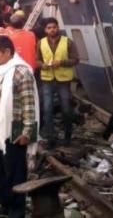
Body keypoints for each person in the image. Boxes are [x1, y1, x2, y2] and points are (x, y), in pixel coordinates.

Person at [0, 36, 38, 218]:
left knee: (15, 172)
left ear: (8, 52)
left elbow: (29, 105)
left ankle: (17, 210)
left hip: (14, 130)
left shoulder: (21, 72)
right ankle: (5, 204)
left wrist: (27, 132)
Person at [37, 18, 79, 147]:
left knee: (66, 109)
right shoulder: (40, 43)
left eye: (54, 27)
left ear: (58, 28)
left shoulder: (68, 42)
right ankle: (51, 138)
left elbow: (75, 60)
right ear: (45, 30)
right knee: (47, 109)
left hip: (63, 81)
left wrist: (61, 62)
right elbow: (37, 60)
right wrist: (42, 65)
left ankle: (67, 137)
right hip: (47, 80)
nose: (52, 30)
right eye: (49, 28)